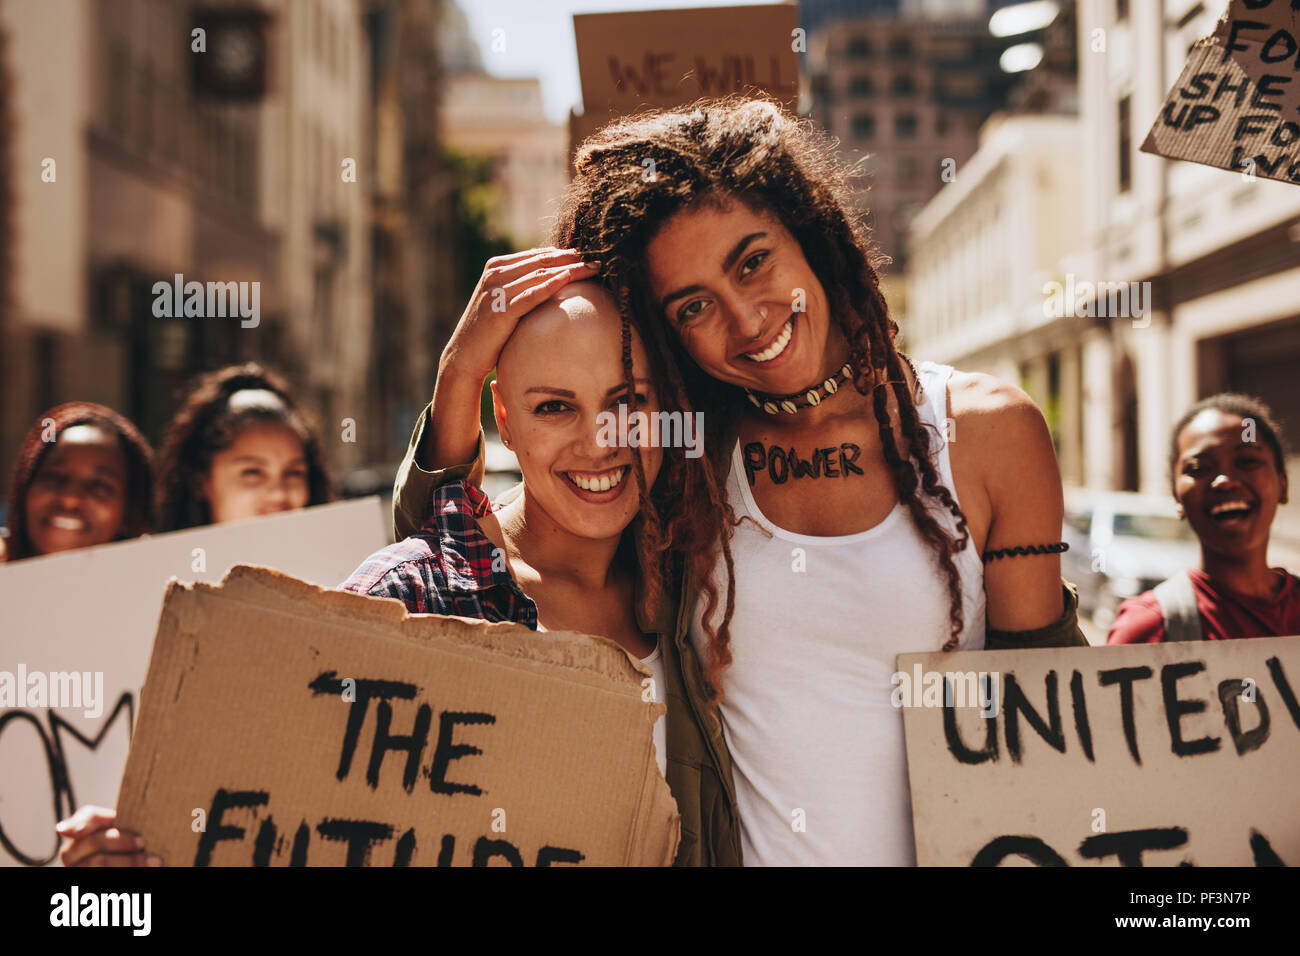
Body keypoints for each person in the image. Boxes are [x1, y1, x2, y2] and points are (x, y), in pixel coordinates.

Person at [396, 98, 1087, 866]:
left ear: (810, 232)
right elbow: (456, 565)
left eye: (753, 261)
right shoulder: (683, 451)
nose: (747, 319)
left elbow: (1048, 711)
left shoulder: (988, 430)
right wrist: (460, 375)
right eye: (694, 306)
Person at [56, 278, 742, 867]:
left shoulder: (704, 592)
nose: (600, 441)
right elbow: (281, 822)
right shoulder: (413, 597)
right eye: (554, 406)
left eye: (629, 401)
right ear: (502, 414)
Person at [1108, 393, 1298, 644]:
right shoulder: (1149, 629)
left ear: (1282, 486)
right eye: (1198, 468)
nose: (1224, 481)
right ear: (1176, 497)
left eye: (1247, 461)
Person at [154, 363, 331, 531]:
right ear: (200, 481)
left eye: (294, 473)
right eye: (253, 472)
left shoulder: (341, 561)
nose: (278, 495)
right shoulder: (153, 561)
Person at [1, 402, 152, 562]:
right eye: (54, 477)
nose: (69, 500)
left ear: (128, 512)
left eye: (98, 486)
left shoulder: (158, 580)